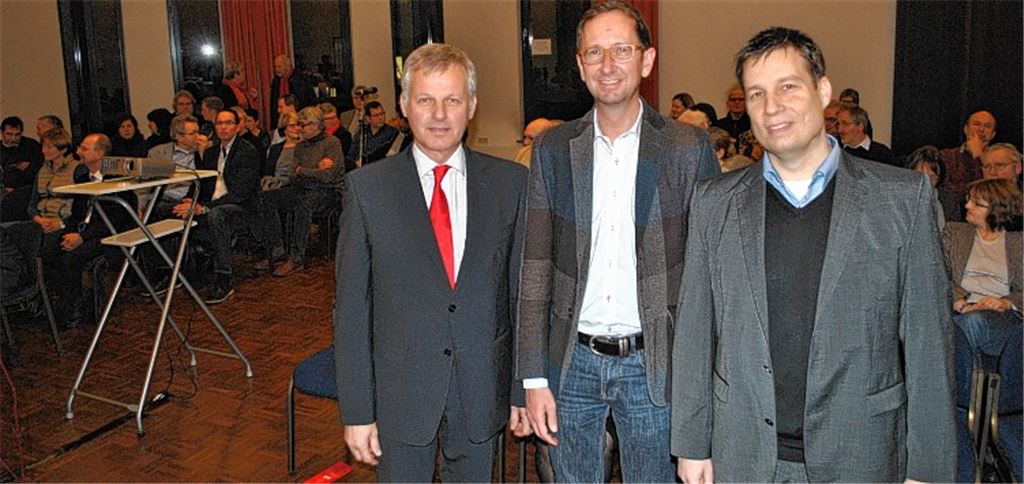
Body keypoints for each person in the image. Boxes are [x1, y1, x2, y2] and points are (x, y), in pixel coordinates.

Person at [672, 26, 955, 483]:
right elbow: (695, 333)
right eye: (757, 93)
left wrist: (928, 468)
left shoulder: (902, 199)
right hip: (742, 453)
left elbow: (929, 344)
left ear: (822, 91)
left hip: (862, 453)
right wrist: (691, 444)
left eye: (788, 86)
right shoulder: (713, 202)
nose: (772, 107)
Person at [517, 2, 719, 482]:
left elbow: (711, 277)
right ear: (580, 65)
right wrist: (533, 376)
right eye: (595, 52)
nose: (608, 66)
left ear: (646, 61)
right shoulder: (552, 149)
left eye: (621, 50)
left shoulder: (687, 149)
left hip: (655, 364)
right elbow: (536, 265)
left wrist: (701, 386)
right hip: (571, 363)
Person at [335, 43, 530, 482]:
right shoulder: (368, 191)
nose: (439, 114)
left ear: (472, 106)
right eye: (425, 100)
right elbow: (351, 310)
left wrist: (522, 389)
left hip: (482, 391)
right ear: (404, 105)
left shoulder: (511, 185)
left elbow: (521, 299)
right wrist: (358, 411)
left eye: (452, 100)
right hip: (400, 396)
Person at [41, 134, 136, 325]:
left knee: (71, 258)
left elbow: (115, 219)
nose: (78, 152)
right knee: (48, 249)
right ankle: (56, 302)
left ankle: (74, 307)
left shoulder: (119, 179)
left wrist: (82, 237)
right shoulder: (83, 178)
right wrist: (68, 232)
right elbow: (77, 213)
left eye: (84, 149)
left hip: (107, 235)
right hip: (83, 229)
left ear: (99, 153)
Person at [172, 109, 260, 304]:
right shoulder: (211, 152)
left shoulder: (248, 151)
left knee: (216, 215)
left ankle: (224, 278)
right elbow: (202, 183)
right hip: (212, 203)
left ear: (237, 127)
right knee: (167, 209)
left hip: (240, 208)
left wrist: (203, 207)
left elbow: (240, 194)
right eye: (219, 123)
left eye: (228, 123)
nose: (223, 127)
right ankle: (169, 271)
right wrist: (189, 201)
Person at [944, 178, 1022, 365]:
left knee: (970, 324)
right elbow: (938, 274)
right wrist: (960, 302)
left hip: (1000, 317)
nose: (967, 205)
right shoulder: (954, 232)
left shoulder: (1019, 242)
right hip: (957, 308)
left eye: (977, 203)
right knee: (960, 325)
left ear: (997, 210)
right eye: (968, 198)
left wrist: (1005, 302)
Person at [28, 128, 80, 233]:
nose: (43, 151)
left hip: (64, 222)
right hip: (40, 221)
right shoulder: (42, 170)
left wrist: (61, 223)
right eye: (43, 146)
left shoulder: (77, 169)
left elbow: (81, 206)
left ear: (63, 149)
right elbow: (32, 204)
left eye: (49, 147)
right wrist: (39, 220)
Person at [940, 110, 997, 201]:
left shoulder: (998, 160)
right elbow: (944, 189)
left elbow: (991, 191)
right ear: (966, 129)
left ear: (993, 134)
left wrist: (977, 157)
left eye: (987, 126)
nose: (981, 130)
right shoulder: (946, 156)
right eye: (976, 124)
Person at [907, 145, 962, 226]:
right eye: (919, 176)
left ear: (939, 178)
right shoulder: (899, 199)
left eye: (931, 178)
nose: (925, 183)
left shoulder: (948, 202)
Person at [1, 116, 43, 221]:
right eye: (9, 134)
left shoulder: (31, 146)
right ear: (2, 132)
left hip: (27, 191)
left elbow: (38, 169)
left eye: (17, 135)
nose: (13, 138)